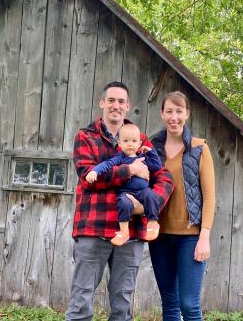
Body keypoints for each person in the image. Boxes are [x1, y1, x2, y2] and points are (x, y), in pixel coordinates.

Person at [66, 82, 174, 321]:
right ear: (102, 103)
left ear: (128, 106)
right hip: (94, 228)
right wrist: (130, 171)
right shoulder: (86, 137)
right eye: (111, 100)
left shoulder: (139, 138)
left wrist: (148, 203)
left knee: (122, 303)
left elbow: (165, 178)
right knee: (81, 300)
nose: (116, 106)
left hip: (131, 232)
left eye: (121, 101)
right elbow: (88, 178)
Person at [149, 91, 216, 321]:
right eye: (169, 111)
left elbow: (209, 196)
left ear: (187, 114)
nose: (173, 117)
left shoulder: (199, 148)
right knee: (169, 305)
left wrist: (204, 237)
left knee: (189, 305)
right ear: (162, 114)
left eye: (179, 111)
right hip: (160, 237)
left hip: (190, 238)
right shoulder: (151, 149)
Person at [85, 123, 162, 246]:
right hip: (126, 192)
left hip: (143, 191)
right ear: (119, 143)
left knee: (151, 195)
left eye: (134, 141)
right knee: (123, 203)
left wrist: (151, 152)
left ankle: (153, 222)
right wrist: (94, 171)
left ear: (140, 143)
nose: (130, 144)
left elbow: (157, 166)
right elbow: (107, 164)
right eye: (126, 141)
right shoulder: (120, 158)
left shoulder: (143, 157)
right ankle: (124, 231)